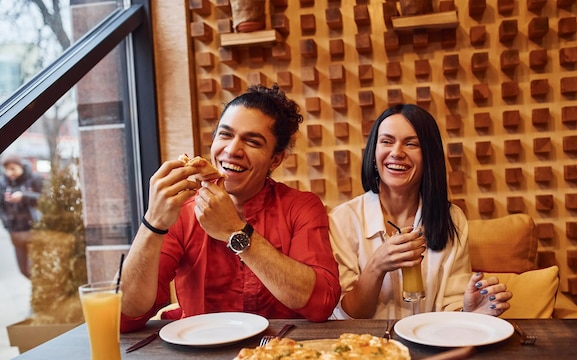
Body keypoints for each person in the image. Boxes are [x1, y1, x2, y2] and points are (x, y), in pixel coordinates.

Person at [120, 84, 341, 332]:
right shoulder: (182, 210)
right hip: (199, 353)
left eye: (253, 142)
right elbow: (127, 316)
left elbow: (322, 303)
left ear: (275, 159)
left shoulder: (301, 207)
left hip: (278, 356)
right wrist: (153, 222)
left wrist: (236, 231)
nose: (232, 150)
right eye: (225, 135)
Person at [329, 104, 512, 319]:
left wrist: (470, 312)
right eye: (386, 141)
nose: (397, 153)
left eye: (411, 144)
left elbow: (451, 304)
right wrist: (377, 266)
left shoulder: (452, 218)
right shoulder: (343, 220)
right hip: (368, 348)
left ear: (429, 156)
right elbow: (347, 316)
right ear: (373, 152)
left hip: (431, 346)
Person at [0, 154, 44, 279]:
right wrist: (7, 223)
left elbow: (44, 199)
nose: (10, 173)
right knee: (24, 270)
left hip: (34, 229)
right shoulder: (3, 183)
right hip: (15, 231)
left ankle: (39, 292)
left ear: (20, 166)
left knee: (35, 267)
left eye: (13, 168)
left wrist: (24, 196)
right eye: (7, 169)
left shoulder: (34, 178)